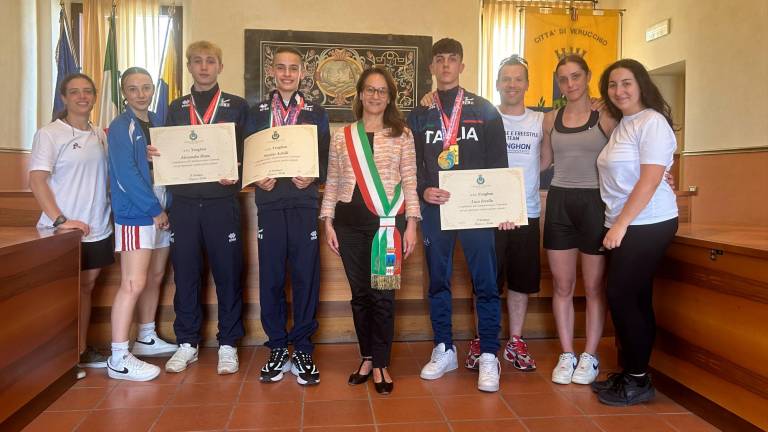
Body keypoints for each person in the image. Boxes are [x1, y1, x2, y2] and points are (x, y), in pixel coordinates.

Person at [408, 38, 507, 393]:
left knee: (485, 282)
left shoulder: (485, 109)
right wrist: (422, 190)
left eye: (453, 59)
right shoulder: (419, 115)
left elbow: (499, 164)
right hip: (437, 208)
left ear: (462, 66)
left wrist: (502, 208)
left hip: (477, 210)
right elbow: (412, 163)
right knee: (438, 279)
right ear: (432, 67)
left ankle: (490, 355)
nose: (446, 65)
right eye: (440, 60)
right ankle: (444, 347)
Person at [321, 67, 420, 395]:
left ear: (389, 97)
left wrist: (412, 226)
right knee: (361, 295)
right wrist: (327, 221)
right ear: (360, 94)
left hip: (388, 227)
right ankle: (366, 356)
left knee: (384, 295)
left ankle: (381, 362)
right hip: (349, 227)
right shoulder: (342, 135)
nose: (376, 96)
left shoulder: (401, 134)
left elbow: (410, 180)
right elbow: (333, 181)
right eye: (370, 90)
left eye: (382, 91)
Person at [152, 41, 249, 375]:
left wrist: (236, 169)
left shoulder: (237, 106)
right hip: (185, 205)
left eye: (211, 61)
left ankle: (228, 344)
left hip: (223, 203)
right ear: (189, 67)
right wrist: (157, 155)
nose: (204, 66)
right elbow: (165, 149)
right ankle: (187, 343)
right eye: (197, 61)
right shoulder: (175, 107)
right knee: (187, 275)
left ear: (220, 66)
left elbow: (249, 152)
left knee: (228, 274)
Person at [592, 59, 678, 406]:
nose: (619, 91)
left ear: (641, 84)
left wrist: (621, 225)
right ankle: (632, 373)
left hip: (646, 222)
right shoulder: (625, 124)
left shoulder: (652, 122)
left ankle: (639, 379)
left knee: (622, 297)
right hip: (626, 221)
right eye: (612, 85)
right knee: (635, 299)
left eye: (626, 83)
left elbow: (650, 179)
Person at [246, 46, 330, 386]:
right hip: (269, 204)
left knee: (306, 276)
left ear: (301, 74)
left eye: (293, 68)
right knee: (271, 277)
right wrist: (254, 177)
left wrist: (315, 176)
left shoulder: (316, 112)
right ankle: (278, 346)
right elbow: (245, 153)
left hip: (304, 203)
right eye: (281, 68)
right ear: (272, 72)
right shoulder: (256, 112)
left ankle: (304, 347)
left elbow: (325, 155)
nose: (286, 73)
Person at [29, 73, 114, 378]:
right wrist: (60, 220)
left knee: (86, 288)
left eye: (87, 92)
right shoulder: (50, 133)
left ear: (94, 96)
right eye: (74, 92)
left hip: (97, 226)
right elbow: (36, 179)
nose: (82, 97)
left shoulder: (99, 134)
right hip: (62, 230)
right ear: (63, 98)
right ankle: (59, 359)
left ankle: (78, 349)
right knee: (63, 293)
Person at [541, 55, 616, 386]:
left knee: (595, 287)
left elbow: (630, 154)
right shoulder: (550, 119)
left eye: (575, 77)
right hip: (559, 202)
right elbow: (542, 162)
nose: (569, 84)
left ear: (587, 77)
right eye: (563, 79)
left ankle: (590, 355)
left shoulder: (607, 115)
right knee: (562, 285)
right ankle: (568, 353)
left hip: (595, 203)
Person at [105, 67, 177, 381]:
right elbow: (125, 175)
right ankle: (118, 357)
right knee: (132, 283)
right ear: (124, 92)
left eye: (146, 87)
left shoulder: (158, 122)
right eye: (133, 89)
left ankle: (146, 337)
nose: (141, 94)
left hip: (162, 211)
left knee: (155, 276)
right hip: (138, 214)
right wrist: (153, 209)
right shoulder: (120, 126)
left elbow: (161, 163)